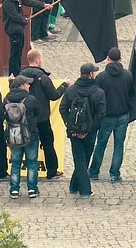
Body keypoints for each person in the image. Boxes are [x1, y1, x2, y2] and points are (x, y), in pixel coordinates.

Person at [20, 49, 68, 180]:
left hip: (25, 117)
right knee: (47, 144)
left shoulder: (21, 77)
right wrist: (64, 86)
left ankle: (26, 170)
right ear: (37, 60)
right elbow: (54, 95)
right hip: (42, 118)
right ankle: (51, 171)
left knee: (26, 144)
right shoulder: (44, 78)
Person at [89, 47, 135, 182]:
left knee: (101, 144)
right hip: (122, 114)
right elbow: (132, 93)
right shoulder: (128, 75)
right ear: (120, 59)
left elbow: (96, 96)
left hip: (106, 116)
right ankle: (114, 173)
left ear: (108, 59)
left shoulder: (101, 77)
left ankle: (94, 171)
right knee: (119, 145)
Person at [60, 63, 106, 198]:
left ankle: (74, 186)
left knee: (80, 159)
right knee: (84, 160)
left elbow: (63, 108)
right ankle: (85, 191)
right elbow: (101, 113)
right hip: (90, 132)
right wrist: (91, 128)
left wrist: (70, 124)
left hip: (74, 132)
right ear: (91, 74)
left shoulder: (70, 90)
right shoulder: (99, 92)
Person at [1, 0, 52, 76]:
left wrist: (43, 5)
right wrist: (24, 20)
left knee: (19, 53)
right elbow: (14, 16)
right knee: (15, 55)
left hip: (19, 29)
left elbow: (28, 1)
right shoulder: (7, 1)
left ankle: (17, 73)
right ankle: (14, 75)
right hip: (14, 30)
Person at [5, 75, 42, 198]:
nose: (29, 85)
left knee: (15, 163)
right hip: (30, 135)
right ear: (22, 86)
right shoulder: (30, 99)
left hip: (13, 136)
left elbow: (3, 114)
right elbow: (38, 113)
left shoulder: (7, 99)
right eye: (27, 84)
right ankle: (32, 189)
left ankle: (14, 190)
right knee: (32, 163)